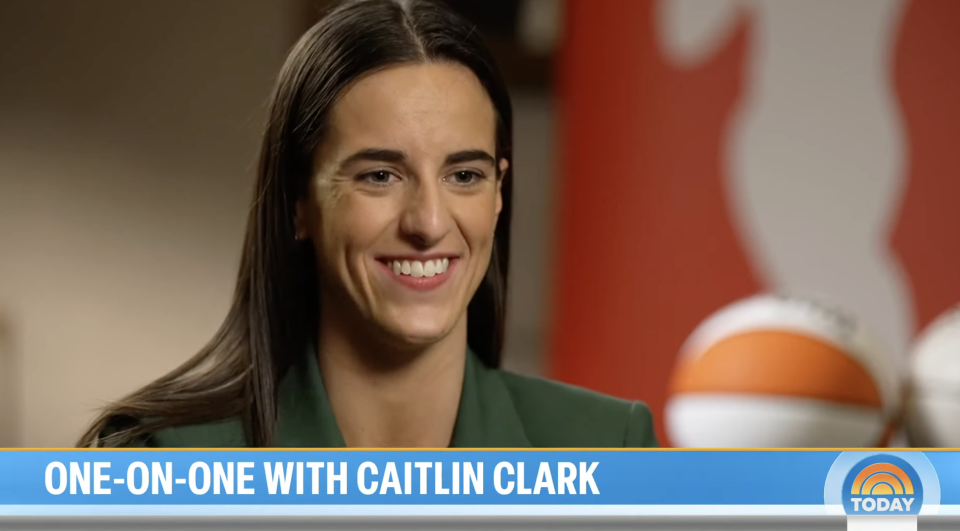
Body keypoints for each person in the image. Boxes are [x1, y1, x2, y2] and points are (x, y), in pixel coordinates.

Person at [77, 0, 657, 448]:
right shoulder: (156, 459)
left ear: (500, 192)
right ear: (296, 201)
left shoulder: (610, 446)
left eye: (464, 176)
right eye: (380, 176)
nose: (429, 222)